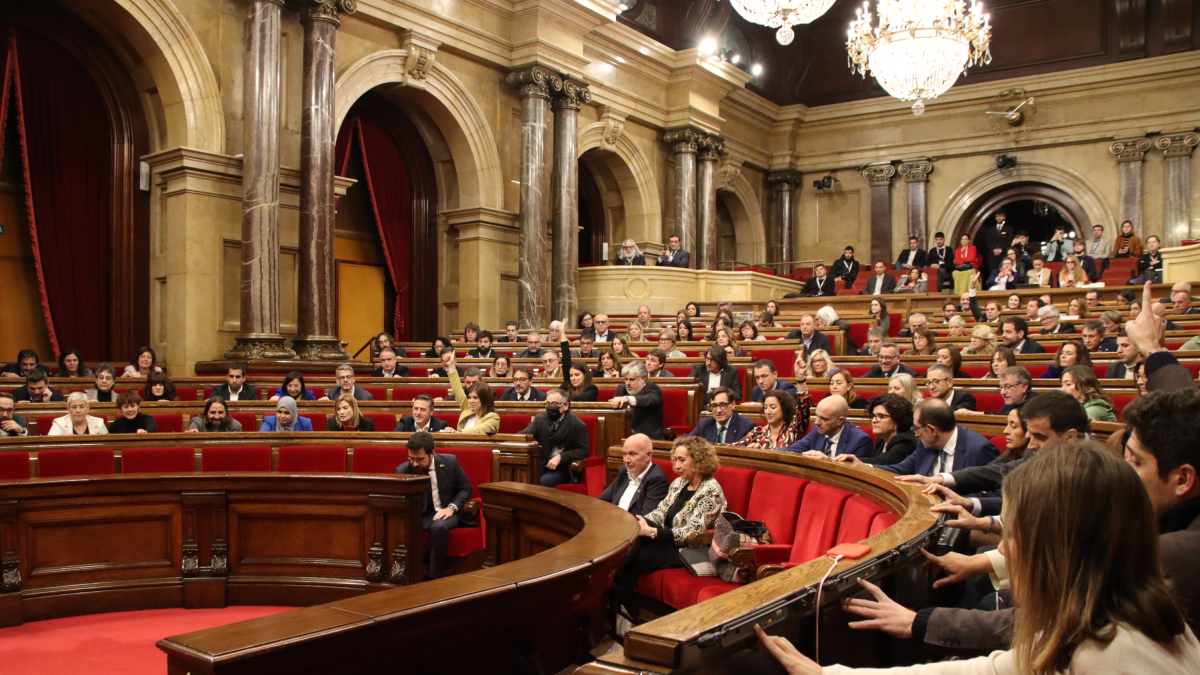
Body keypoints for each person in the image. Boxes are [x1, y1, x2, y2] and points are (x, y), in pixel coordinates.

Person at [765, 441, 1200, 675]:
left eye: (1016, 535)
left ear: (1058, 552)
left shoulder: (1109, 658)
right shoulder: (1109, 623)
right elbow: (991, 668)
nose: (1003, 550)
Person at [396, 432, 475, 580]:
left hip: (448, 512)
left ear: (432, 453)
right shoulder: (403, 470)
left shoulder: (450, 462)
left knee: (438, 527)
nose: (414, 464)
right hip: (421, 515)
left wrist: (451, 507)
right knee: (399, 526)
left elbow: (466, 489)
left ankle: (434, 577)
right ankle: (406, 576)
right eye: (411, 459)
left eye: (419, 459)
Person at [521, 388, 589, 487]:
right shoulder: (540, 420)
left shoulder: (577, 424)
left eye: (554, 404)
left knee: (544, 481)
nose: (550, 407)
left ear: (565, 406)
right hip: (541, 464)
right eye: (548, 404)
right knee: (525, 478)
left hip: (562, 468)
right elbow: (524, 435)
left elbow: (583, 451)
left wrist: (561, 457)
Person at [598, 434, 669, 517]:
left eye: (632, 454)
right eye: (625, 454)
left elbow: (646, 519)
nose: (626, 460)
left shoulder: (656, 479)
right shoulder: (624, 471)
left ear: (648, 455)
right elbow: (602, 501)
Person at [785, 395, 874, 459]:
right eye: (817, 416)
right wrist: (771, 452)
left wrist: (827, 462)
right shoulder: (817, 431)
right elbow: (792, 449)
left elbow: (857, 476)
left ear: (840, 421)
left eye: (824, 419)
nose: (817, 422)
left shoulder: (860, 441)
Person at [442, 351, 498, 434]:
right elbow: (457, 390)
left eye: (475, 398)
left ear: (484, 398)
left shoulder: (493, 417)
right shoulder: (468, 408)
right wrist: (451, 366)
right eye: (470, 397)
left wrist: (458, 433)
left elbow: (480, 429)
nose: (471, 401)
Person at [737, 390, 811, 450]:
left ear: (784, 409)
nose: (768, 412)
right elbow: (735, 447)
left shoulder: (794, 430)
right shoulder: (758, 432)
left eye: (773, 407)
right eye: (765, 407)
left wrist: (800, 380)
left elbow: (804, 406)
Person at [611, 361, 664, 440]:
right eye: (626, 379)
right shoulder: (621, 389)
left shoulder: (653, 389)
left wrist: (628, 399)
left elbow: (648, 400)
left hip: (647, 439)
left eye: (632, 380)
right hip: (622, 437)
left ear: (643, 378)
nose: (628, 383)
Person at [860, 394, 917, 466]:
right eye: (874, 416)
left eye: (881, 416)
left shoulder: (906, 441)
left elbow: (882, 462)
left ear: (897, 420)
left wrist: (851, 460)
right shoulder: (881, 439)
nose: (874, 420)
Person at [688, 388, 755, 445]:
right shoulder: (704, 424)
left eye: (723, 405)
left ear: (733, 404)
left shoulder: (746, 427)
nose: (718, 410)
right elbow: (686, 441)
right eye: (714, 406)